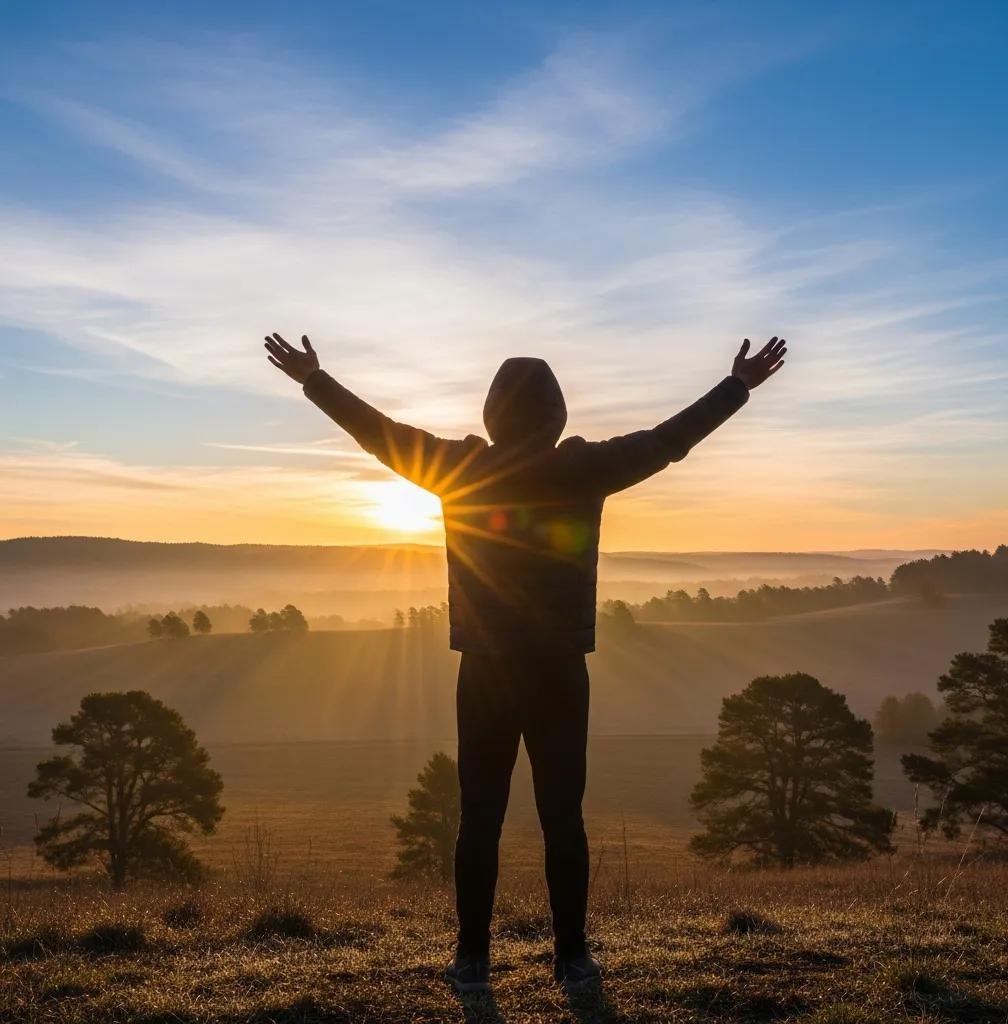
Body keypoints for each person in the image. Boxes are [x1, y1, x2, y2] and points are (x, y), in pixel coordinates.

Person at [264, 332, 787, 993]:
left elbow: (379, 433)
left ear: (491, 415)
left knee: (478, 815)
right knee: (562, 816)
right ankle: (572, 958)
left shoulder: (461, 469)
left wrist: (315, 380)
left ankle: (472, 958)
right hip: (561, 670)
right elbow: (669, 440)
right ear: (558, 417)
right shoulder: (584, 470)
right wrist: (737, 386)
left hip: (483, 669)